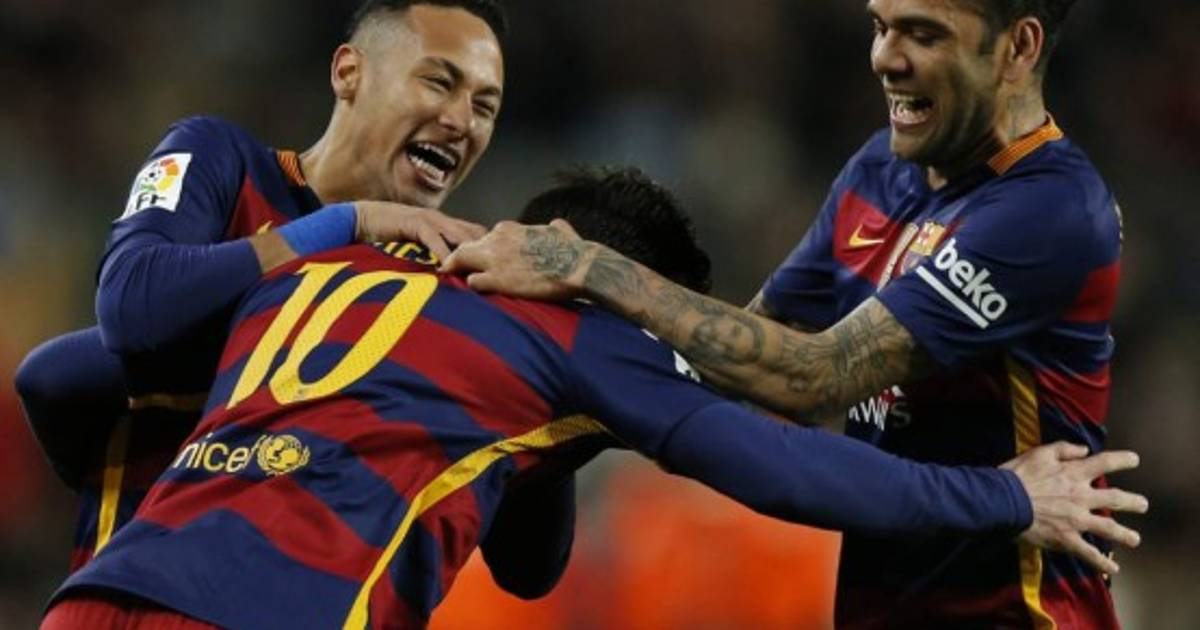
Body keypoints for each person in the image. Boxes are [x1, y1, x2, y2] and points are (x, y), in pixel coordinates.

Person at [42, 167, 1143, 630]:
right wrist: (1007, 499)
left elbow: (54, 377)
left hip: (92, 600)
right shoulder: (581, 332)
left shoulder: (319, 278)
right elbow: (785, 467)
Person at [444, 1, 1131, 627]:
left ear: (1018, 47)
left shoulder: (1050, 212)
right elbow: (747, 359)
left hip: (1013, 611)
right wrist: (583, 361)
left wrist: (591, 269)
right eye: (880, 26)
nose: (885, 58)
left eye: (924, 35)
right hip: (884, 603)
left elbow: (813, 376)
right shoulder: (881, 169)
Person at [14, 0, 577, 597]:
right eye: (439, 82)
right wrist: (348, 224)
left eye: (485, 107)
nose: (462, 121)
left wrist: (549, 340)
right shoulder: (222, 163)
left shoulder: (447, 285)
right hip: (143, 604)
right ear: (348, 73)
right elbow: (133, 306)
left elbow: (529, 566)